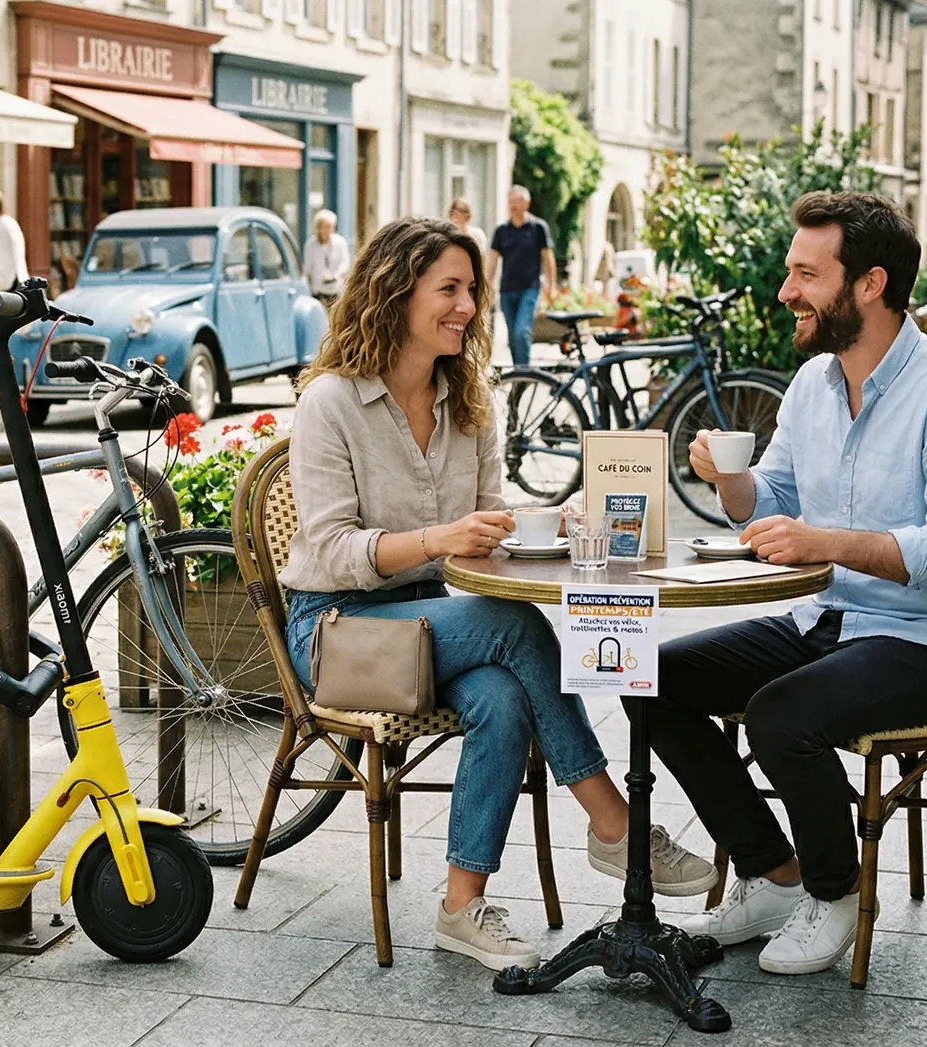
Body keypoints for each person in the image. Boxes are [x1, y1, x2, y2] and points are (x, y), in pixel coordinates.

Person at [283, 216, 715, 973]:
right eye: (448, 288)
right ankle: (614, 822)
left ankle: (459, 905)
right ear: (395, 292)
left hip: (439, 624)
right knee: (511, 624)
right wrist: (438, 540)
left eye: (472, 290)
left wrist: (552, 519)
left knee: (505, 698)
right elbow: (329, 550)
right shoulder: (332, 403)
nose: (467, 307)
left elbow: (491, 517)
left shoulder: (468, 396)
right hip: (342, 628)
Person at [660, 191, 927, 978]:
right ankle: (774, 875)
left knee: (783, 712)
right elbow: (772, 503)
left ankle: (836, 888)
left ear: (870, 284)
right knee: (653, 679)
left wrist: (828, 542)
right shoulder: (815, 383)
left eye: (805, 275)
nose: (788, 292)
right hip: (833, 621)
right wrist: (729, 476)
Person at [488, 185, 557, 368]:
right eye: (510, 202)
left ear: (526, 203)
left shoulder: (538, 228)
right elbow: (492, 261)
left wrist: (552, 285)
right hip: (507, 290)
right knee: (512, 337)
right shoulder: (502, 230)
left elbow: (548, 258)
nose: (513, 206)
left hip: (530, 288)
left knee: (521, 331)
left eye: (517, 201)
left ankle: (524, 373)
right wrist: (488, 286)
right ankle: (519, 374)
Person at [303, 208, 351, 310]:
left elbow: (345, 262)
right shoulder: (311, 244)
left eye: (331, 227)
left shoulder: (340, 242)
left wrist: (335, 274)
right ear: (318, 228)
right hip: (318, 290)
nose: (328, 230)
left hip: (335, 289)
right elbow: (307, 268)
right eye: (325, 227)